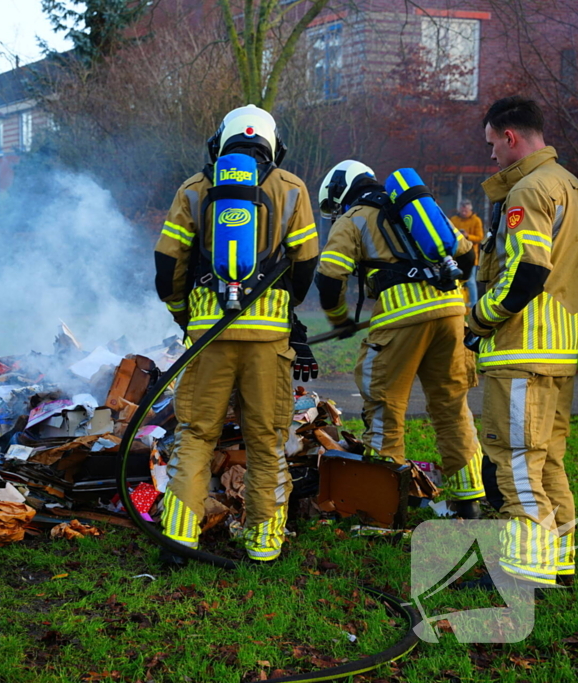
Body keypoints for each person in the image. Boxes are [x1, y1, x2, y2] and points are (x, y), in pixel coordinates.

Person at [154, 104, 319, 563]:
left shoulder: (194, 188)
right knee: (266, 440)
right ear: (274, 146)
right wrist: (284, 308)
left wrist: (184, 315)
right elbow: (305, 262)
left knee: (195, 436)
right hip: (268, 341)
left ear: (219, 142)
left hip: (208, 335)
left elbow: (167, 266)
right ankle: (265, 545)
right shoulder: (292, 189)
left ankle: (178, 539)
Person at [466, 96, 578, 588]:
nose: (491, 155)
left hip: (522, 351)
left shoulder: (527, 190)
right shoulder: (570, 186)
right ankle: (558, 561)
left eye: (492, 143)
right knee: (548, 461)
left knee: (514, 460)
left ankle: (523, 571)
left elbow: (528, 270)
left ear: (510, 136)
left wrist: (478, 321)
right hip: (560, 352)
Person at [315, 160, 485, 518]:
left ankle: (382, 508)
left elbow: (329, 278)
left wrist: (340, 319)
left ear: (341, 192)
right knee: (452, 407)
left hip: (400, 319)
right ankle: (469, 503)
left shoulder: (354, 218)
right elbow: (468, 256)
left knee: (384, 408)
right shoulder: (418, 210)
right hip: (453, 312)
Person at [449, 200, 484, 305]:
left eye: (466, 210)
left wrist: (467, 236)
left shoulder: (476, 220)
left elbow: (480, 237)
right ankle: (456, 302)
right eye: (462, 209)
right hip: (455, 256)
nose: (464, 211)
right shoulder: (454, 220)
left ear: (470, 210)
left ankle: (473, 304)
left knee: (470, 281)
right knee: (454, 280)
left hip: (470, 257)